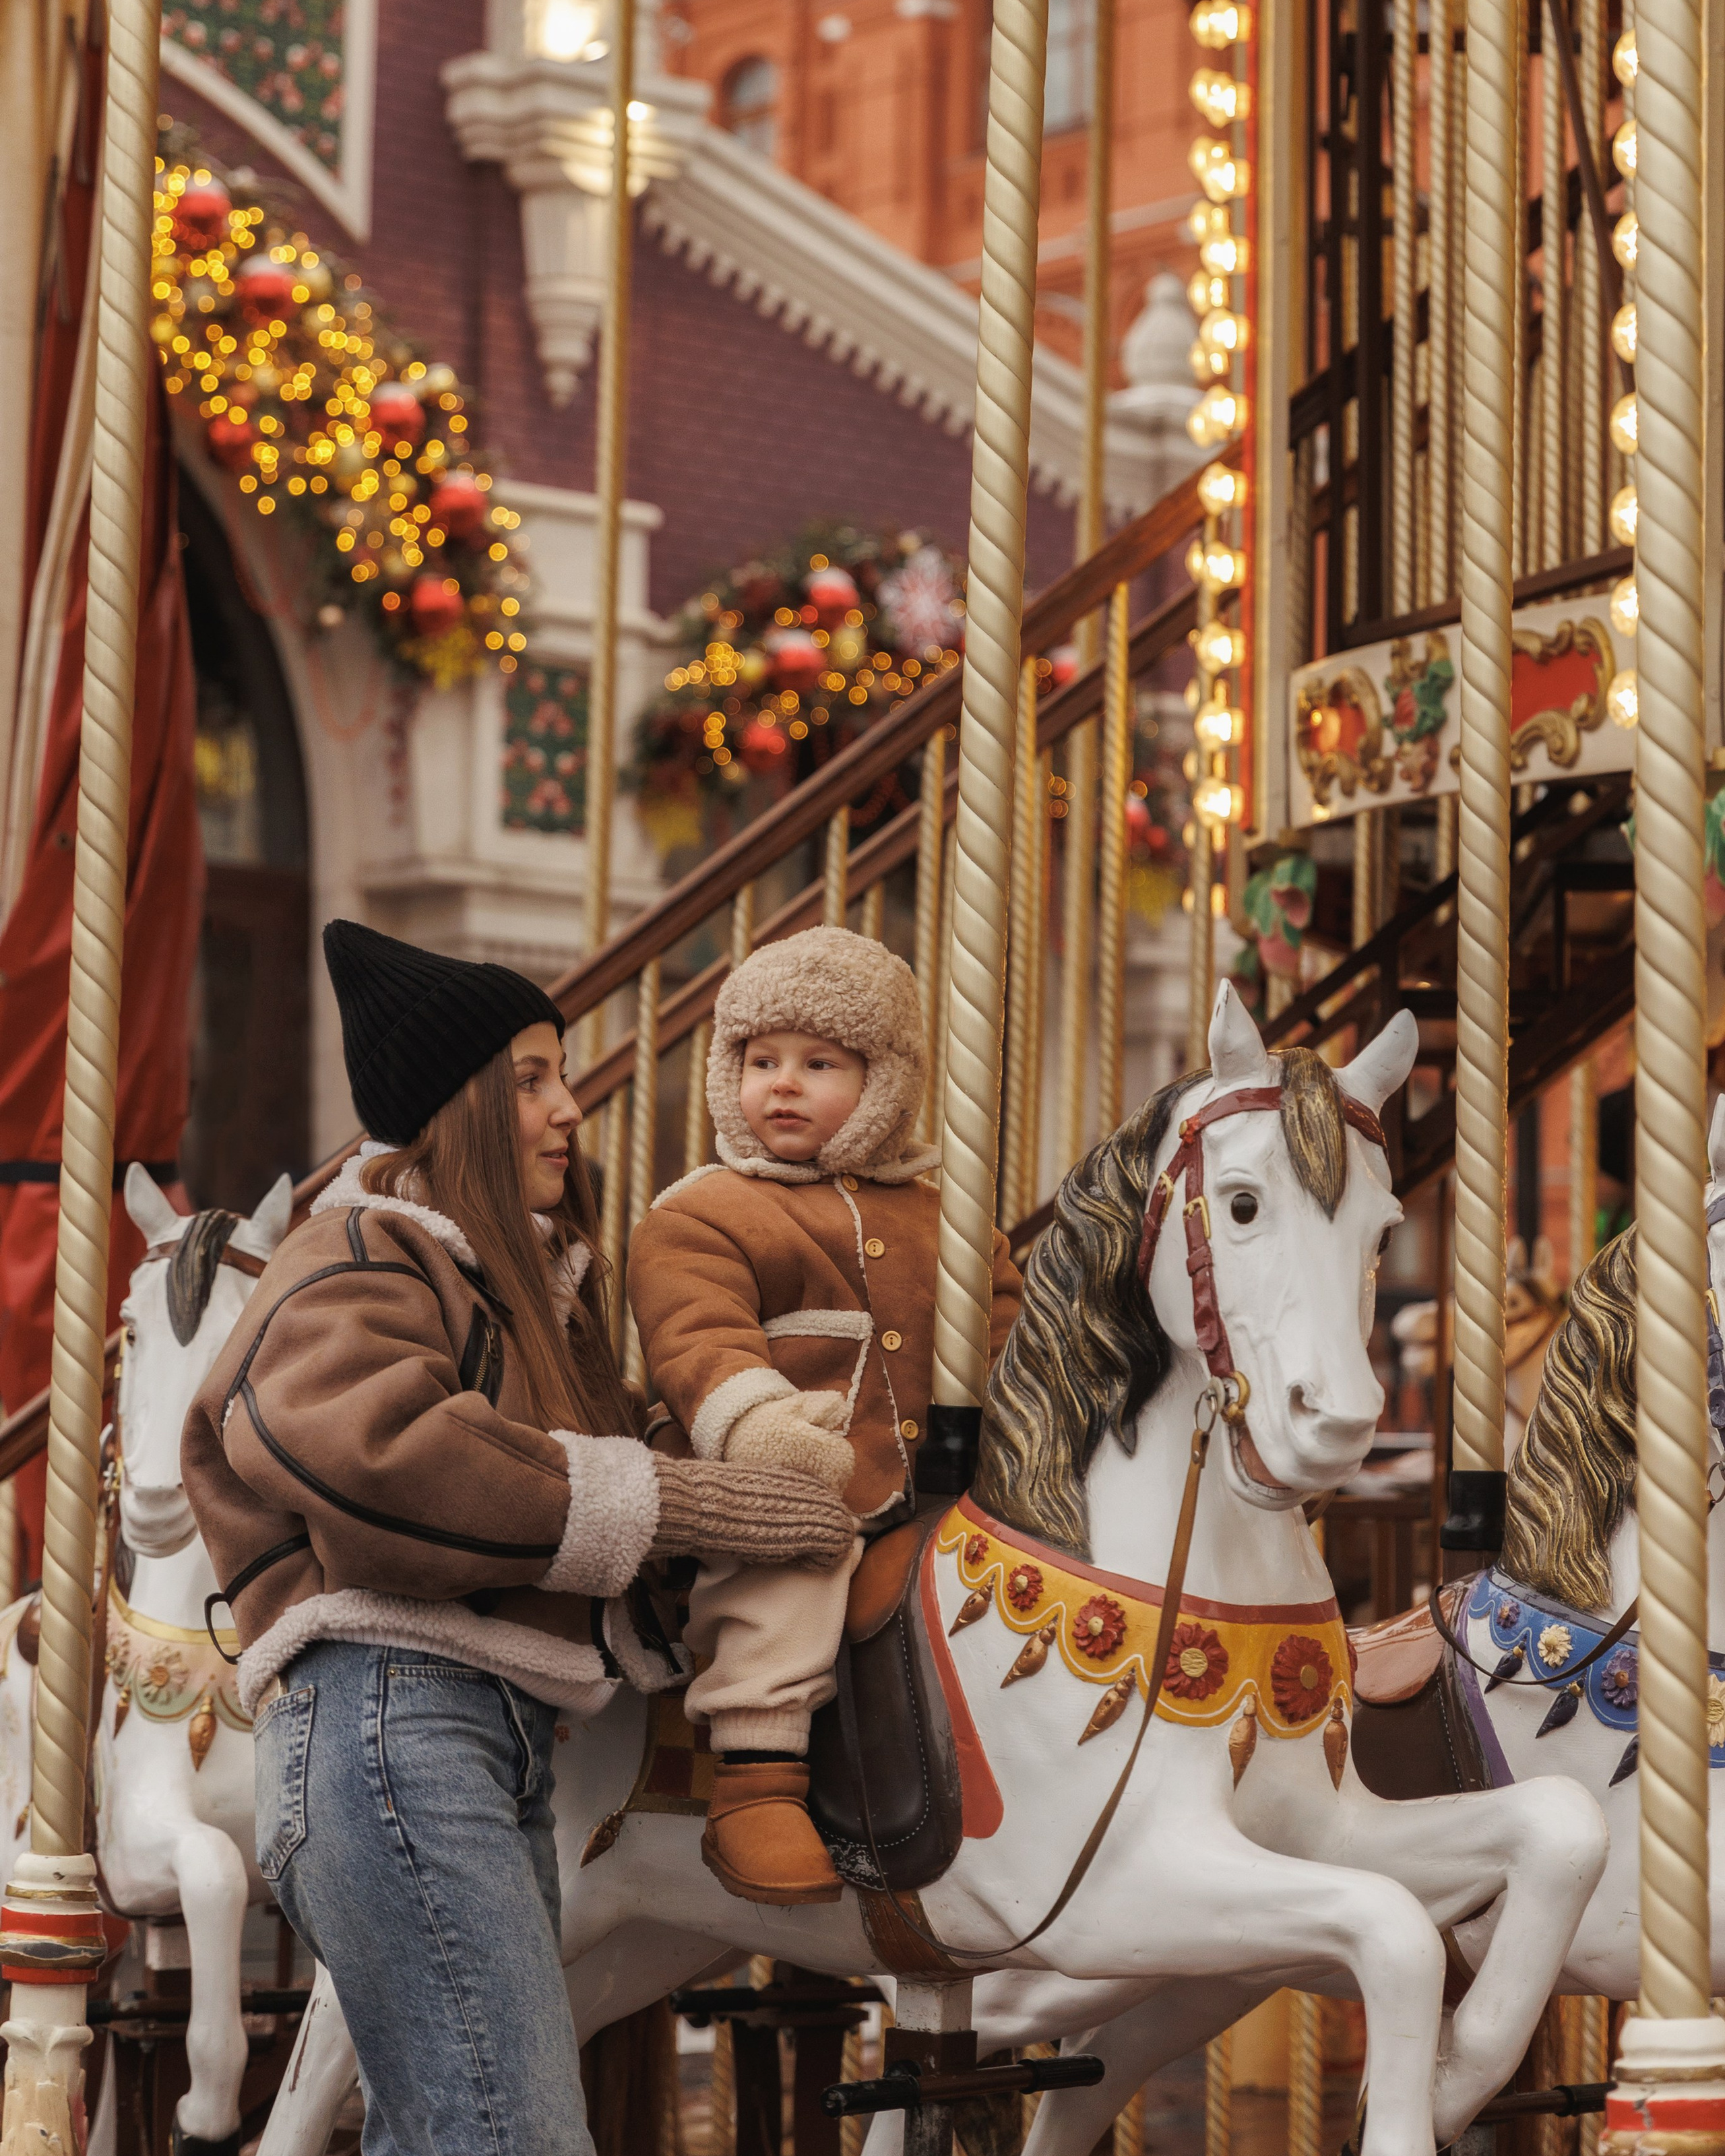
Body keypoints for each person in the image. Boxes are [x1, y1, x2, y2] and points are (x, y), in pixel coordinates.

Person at [182, 920, 853, 2156]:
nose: (568, 1107)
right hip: (390, 1720)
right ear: (459, 1107)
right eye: (532, 1078)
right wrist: (680, 1500)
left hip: (482, 1742)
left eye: (564, 1075)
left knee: (455, 2132)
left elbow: (565, 1499)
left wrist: (742, 1447)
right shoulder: (356, 1252)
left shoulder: (528, 1294)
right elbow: (394, 1462)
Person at [629, 926, 1021, 1906]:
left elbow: (1013, 1327)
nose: (784, 1085)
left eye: (820, 1063)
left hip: (934, 1483)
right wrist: (754, 1424)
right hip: (764, 1471)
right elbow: (694, 1334)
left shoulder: (948, 1216)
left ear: (885, 1084)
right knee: (795, 1551)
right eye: (761, 1061)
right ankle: (757, 1777)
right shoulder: (704, 1211)